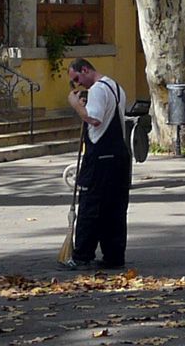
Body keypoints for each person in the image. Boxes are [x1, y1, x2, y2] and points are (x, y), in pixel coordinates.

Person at [62, 58, 131, 270]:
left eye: (77, 78)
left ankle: (82, 255)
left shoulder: (99, 90)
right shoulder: (115, 86)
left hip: (100, 157)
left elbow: (94, 119)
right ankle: (114, 256)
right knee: (114, 208)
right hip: (118, 155)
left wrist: (76, 106)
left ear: (85, 70)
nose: (78, 85)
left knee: (91, 206)